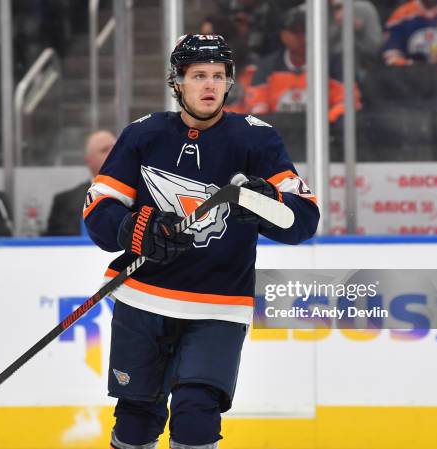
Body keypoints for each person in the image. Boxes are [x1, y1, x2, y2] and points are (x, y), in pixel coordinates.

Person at [83, 34, 320, 449]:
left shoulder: (256, 139)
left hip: (218, 305)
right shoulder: (143, 135)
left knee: (196, 415)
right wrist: (138, 229)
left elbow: (303, 221)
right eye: (198, 76)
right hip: (143, 299)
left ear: (229, 83)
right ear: (177, 83)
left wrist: (269, 202)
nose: (209, 85)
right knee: (136, 420)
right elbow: (99, 212)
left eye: (218, 75)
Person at [244, 5, 360, 122]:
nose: (301, 37)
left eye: (305, 31)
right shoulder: (266, 67)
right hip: (279, 135)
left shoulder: (333, 65)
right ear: (283, 35)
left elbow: (347, 103)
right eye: (294, 31)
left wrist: (326, 123)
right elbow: (257, 109)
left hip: (324, 135)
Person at [45, 130, 116, 236]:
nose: (113, 153)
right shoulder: (64, 202)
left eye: (116, 149)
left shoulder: (142, 194)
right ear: (88, 160)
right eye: (104, 150)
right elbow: (55, 247)